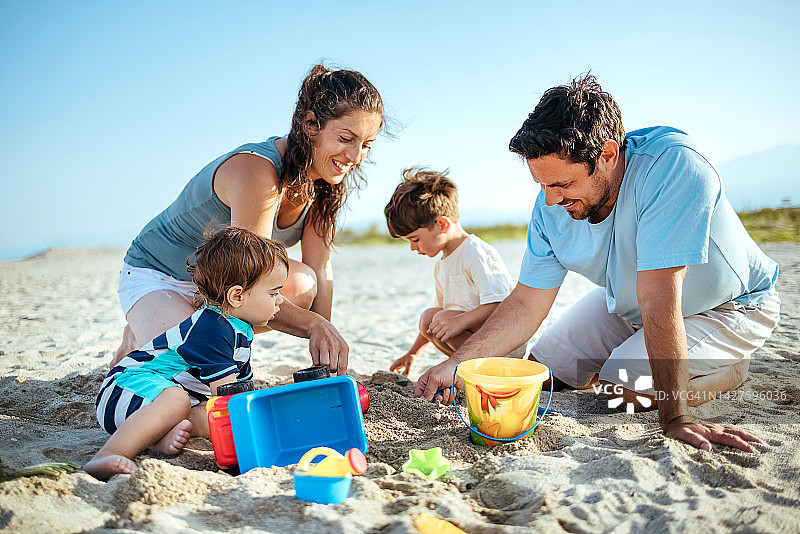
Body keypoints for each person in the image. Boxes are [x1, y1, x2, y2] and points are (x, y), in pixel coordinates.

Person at [416, 75, 780, 454]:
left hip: (728, 305)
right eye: (542, 185)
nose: (550, 200)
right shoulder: (549, 206)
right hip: (630, 301)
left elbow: (660, 298)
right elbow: (525, 303)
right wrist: (455, 366)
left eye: (561, 184)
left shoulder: (673, 166)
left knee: (618, 392)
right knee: (543, 375)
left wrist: (676, 419)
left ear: (607, 154)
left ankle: (731, 371)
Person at [113, 64, 385, 375]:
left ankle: (165, 327)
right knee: (197, 371)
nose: (354, 156)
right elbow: (246, 279)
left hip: (221, 288)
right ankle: (144, 326)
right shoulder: (258, 171)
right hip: (161, 276)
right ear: (311, 124)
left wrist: (326, 345)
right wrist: (311, 325)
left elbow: (320, 268)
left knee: (304, 282)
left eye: (366, 145)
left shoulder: (324, 180)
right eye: (346, 138)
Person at [85, 227, 289, 480]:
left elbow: (240, 389)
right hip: (126, 388)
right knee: (180, 401)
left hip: (155, 400)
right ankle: (108, 454)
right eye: (274, 293)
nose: (280, 300)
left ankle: (157, 437)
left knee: (206, 417)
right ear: (237, 296)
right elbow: (229, 399)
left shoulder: (240, 329)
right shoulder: (213, 328)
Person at [384, 167, 525, 377]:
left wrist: (459, 321)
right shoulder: (442, 263)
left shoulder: (475, 252)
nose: (413, 248)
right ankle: (468, 370)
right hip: (475, 342)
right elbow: (437, 318)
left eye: (415, 239)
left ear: (442, 224)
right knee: (430, 318)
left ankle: (482, 372)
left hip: (502, 345)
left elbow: (499, 304)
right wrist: (413, 353)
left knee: (437, 317)